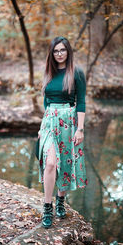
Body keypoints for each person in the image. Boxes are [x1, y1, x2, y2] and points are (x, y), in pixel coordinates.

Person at [38, 36, 87, 228]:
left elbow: (81, 102)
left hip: (69, 121)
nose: (59, 54)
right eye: (56, 51)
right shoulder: (48, 72)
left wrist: (80, 129)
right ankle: (47, 206)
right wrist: (42, 127)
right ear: (52, 53)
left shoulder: (77, 73)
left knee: (65, 164)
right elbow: (46, 102)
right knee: (50, 163)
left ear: (68, 51)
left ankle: (60, 200)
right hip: (49, 121)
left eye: (62, 50)